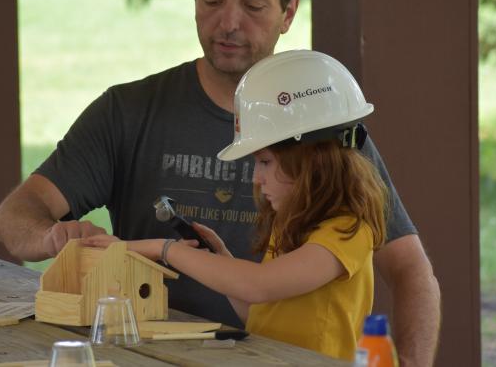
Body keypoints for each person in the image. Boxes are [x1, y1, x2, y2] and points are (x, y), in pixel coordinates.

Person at [0, 0, 440, 366]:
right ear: (194, 4)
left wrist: (164, 249)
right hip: (143, 351)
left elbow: (409, 269)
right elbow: (14, 215)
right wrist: (52, 236)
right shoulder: (128, 110)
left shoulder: (321, 123)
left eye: (253, 5)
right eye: (213, 0)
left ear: (288, 14)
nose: (229, 22)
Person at [84, 49, 388, 360]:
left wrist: (163, 249)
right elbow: (258, 312)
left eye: (266, 162)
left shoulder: (347, 232)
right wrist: (221, 257)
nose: (256, 177)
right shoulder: (294, 221)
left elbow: (257, 286)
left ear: (313, 162)